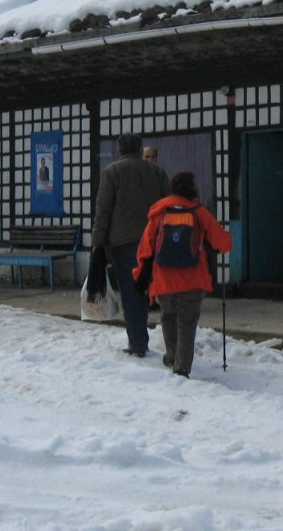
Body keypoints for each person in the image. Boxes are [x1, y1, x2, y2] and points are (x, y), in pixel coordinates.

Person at [133, 171, 232, 377]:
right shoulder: (198, 211)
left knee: (168, 318)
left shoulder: (160, 212)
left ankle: (171, 357)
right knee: (187, 324)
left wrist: (140, 275)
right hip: (192, 279)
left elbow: (146, 247)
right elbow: (223, 243)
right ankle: (182, 367)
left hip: (164, 280)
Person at [91, 133, 170, 357]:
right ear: (139, 149)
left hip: (122, 242)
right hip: (154, 239)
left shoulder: (112, 172)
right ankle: (171, 344)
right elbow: (168, 203)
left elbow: (103, 210)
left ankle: (137, 341)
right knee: (152, 288)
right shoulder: (157, 172)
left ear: (120, 150)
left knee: (130, 291)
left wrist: (98, 241)